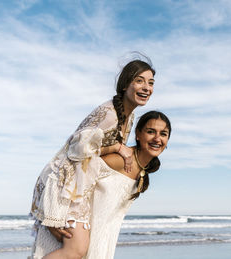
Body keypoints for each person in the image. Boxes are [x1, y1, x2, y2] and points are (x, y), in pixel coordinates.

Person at [29, 57, 155, 258]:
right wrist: (116, 147)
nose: (146, 87)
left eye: (150, 83)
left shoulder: (128, 117)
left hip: (79, 187)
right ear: (125, 84)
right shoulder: (110, 113)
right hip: (64, 184)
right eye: (139, 80)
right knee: (76, 250)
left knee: (78, 251)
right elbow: (77, 148)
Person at [32, 111, 171, 259]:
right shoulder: (121, 160)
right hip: (78, 225)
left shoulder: (143, 169)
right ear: (138, 134)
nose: (157, 138)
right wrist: (53, 216)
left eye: (163, 134)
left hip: (102, 235)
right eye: (150, 132)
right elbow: (70, 168)